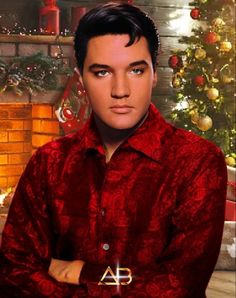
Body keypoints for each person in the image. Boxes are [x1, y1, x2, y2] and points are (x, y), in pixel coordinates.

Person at [0, 2, 227, 298]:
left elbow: (178, 286)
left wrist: (81, 271)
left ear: (154, 75)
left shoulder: (198, 161)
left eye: (135, 70)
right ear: (81, 80)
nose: (121, 90)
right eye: (102, 72)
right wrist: (128, 282)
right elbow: (13, 272)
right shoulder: (48, 162)